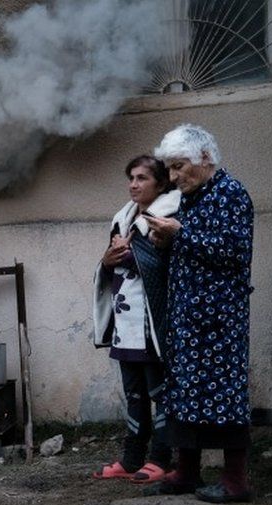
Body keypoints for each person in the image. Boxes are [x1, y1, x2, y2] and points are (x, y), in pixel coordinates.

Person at [144, 124, 255, 503]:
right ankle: (187, 472)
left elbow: (235, 252)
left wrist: (181, 236)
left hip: (219, 319)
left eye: (178, 167)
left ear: (205, 159)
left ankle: (235, 481)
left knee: (225, 395)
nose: (173, 177)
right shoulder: (190, 197)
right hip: (187, 317)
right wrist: (164, 243)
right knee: (183, 394)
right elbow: (190, 251)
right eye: (170, 169)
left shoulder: (230, 193)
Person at [92, 155, 180, 484]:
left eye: (142, 178)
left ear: (161, 184)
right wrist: (108, 258)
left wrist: (130, 253)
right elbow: (112, 265)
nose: (133, 184)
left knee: (161, 393)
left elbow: (163, 265)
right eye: (131, 177)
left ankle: (160, 459)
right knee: (134, 395)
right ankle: (131, 459)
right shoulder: (122, 219)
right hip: (125, 324)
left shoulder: (169, 215)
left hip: (152, 325)